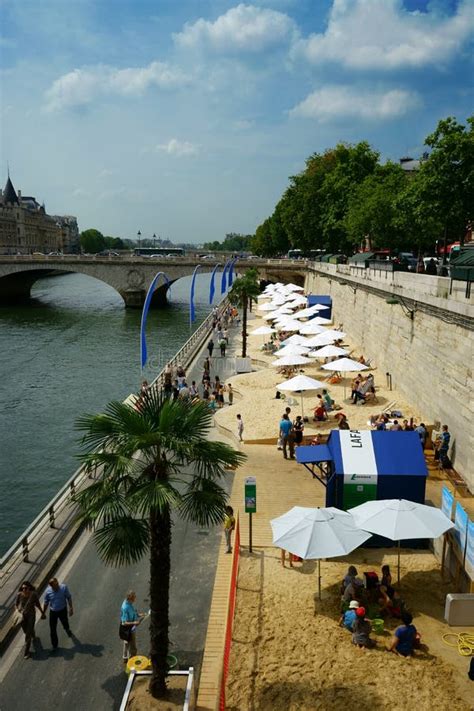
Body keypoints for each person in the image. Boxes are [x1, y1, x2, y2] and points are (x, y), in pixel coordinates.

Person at [15, 581, 45, 658]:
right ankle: (33, 634)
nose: (24, 589)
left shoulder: (33, 595)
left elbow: (38, 604)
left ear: (29, 588)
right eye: (22, 588)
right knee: (26, 631)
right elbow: (16, 605)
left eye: (25, 588)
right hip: (22, 617)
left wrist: (42, 613)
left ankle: (26, 652)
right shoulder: (19, 595)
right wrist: (17, 610)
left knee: (27, 635)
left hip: (31, 615)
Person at [43, 577, 73, 651]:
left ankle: (67, 629)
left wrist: (71, 608)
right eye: (55, 584)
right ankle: (55, 645)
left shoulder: (64, 587)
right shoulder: (48, 592)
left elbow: (68, 597)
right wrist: (43, 612)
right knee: (52, 629)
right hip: (53, 612)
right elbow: (46, 602)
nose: (57, 585)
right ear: (51, 586)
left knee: (65, 622)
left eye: (57, 583)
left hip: (63, 610)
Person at [120, 590, 144, 661]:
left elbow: (132, 612)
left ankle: (125, 657)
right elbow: (124, 622)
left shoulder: (129, 604)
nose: (135, 599)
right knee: (132, 644)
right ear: (130, 598)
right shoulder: (125, 607)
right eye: (134, 597)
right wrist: (134, 623)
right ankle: (132, 659)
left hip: (130, 627)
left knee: (126, 642)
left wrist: (139, 615)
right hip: (128, 629)